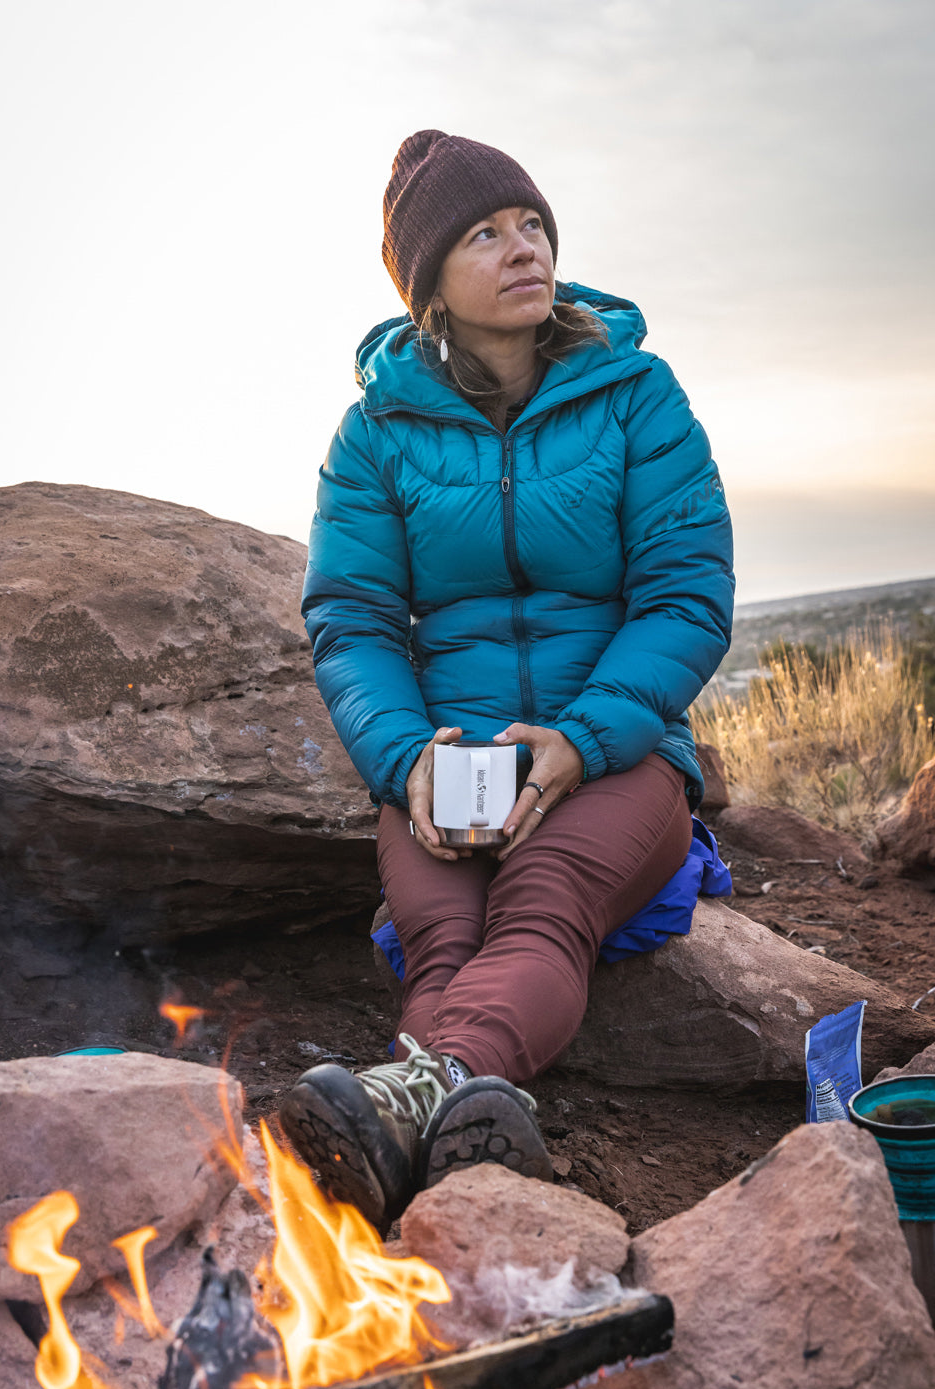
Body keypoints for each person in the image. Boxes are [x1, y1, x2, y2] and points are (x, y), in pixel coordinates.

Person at [280, 129, 734, 1235]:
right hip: (450, 761)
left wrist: (583, 736)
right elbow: (351, 617)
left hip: (612, 756)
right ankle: (441, 1148)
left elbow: (686, 593)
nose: (522, 248)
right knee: (442, 940)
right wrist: (408, 758)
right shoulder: (376, 432)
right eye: (484, 234)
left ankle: (416, 1089)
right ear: (429, 284)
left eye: (530, 224)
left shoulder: (634, 395)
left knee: (539, 909)